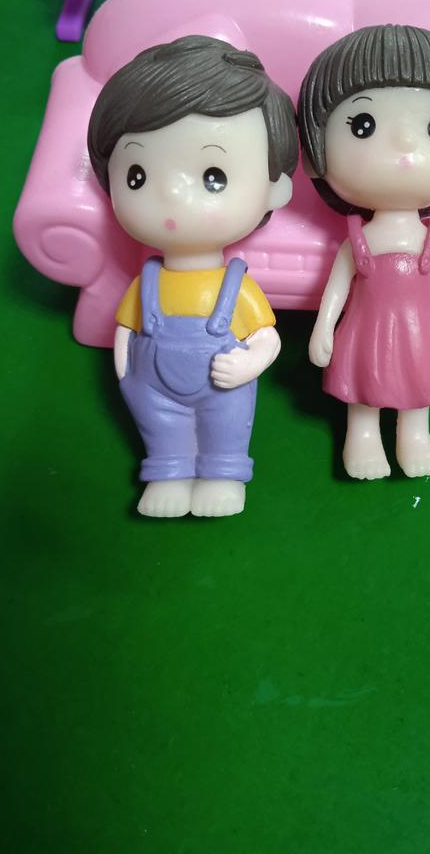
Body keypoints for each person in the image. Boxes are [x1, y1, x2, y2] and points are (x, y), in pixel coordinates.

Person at [87, 35, 298, 516]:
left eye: (213, 177)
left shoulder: (236, 285)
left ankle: (223, 475)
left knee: (226, 426)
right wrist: (125, 376)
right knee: (162, 430)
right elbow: (125, 330)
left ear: (276, 190)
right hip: (152, 384)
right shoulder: (147, 282)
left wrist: (249, 364)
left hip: (224, 383)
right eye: (137, 176)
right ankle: (167, 472)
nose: (173, 196)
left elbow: (267, 337)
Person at [298, 24, 430, 480]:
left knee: (419, 386)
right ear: (317, 152)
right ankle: (361, 437)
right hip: (366, 329)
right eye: (363, 126)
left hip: (419, 330)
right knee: (363, 386)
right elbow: (336, 289)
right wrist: (323, 326)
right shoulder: (357, 240)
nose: (405, 144)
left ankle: (415, 437)